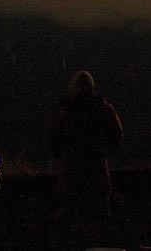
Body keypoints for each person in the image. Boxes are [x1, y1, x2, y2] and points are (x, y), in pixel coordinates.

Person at [48, 70, 123, 248]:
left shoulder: (65, 112)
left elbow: (52, 138)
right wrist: (104, 152)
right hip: (96, 170)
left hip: (72, 172)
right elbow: (117, 134)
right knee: (101, 218)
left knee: (66, 220)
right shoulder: (103, 108)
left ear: (74, 88)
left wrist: (62, 156)